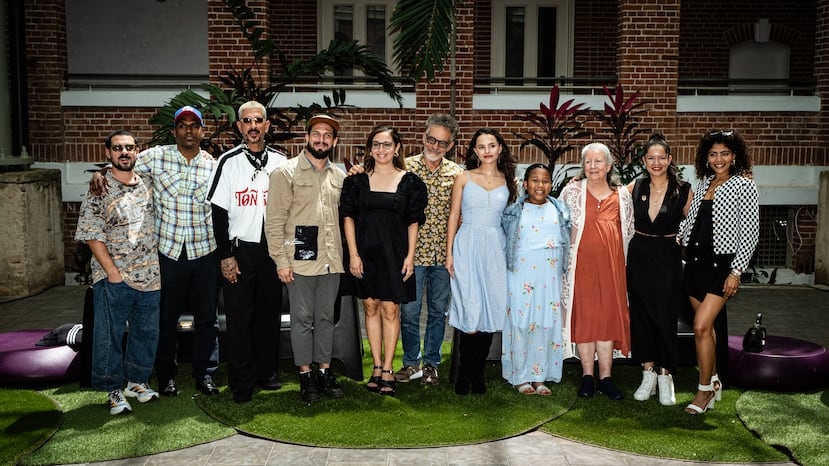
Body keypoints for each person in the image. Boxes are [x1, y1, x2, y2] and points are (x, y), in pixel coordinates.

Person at [88, 107, 222, 397]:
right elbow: (124, 164)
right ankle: (166, 375)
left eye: (194, 125)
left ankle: (206, 374)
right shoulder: (156, 157)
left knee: (207, 318)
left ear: (202, 131)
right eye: (182, 126)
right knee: (165, 319)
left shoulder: (213, 165)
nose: (188, 130)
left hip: (204, 251)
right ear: (174, 131)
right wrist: (102, 173)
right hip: (168, 253)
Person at [206, 101, 288, 403]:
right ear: (239, 127)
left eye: (258, 120)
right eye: (246, 121)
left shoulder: (281, 162)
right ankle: (242, 380)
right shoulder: (227, 162)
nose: (253, 126)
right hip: (240, 251)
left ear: (267, 126)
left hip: (272, 251)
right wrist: (225, 255)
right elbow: (218, 211)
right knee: (239, 318)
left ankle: (266, 373)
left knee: (268, 315)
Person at [75, 130, 160, 415]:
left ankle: (136, 382)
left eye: (129, 147)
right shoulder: (99, 188)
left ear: (138, 151)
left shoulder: (147, 182)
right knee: (108, 335)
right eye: (117, 148)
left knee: (145, 332)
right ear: (108, 154)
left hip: (150, 275)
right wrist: (112, 272)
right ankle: (112, 389)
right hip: (115, 277)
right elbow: (91, 234)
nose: (124, 152)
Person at [265, 114, 347, 403]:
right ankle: (304, 375)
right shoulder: (285, 173)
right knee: (302, 319)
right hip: (298, 261)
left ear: (334, 142)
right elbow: (274, 221)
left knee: (325, 319)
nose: (321, 139)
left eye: (327, 135)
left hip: (330, 260)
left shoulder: (340, 176)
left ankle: (323, 371)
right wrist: (282, 261)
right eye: (317, 134)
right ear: (307, 137)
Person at [341, 125, 427, 396]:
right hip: (365, 255)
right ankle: (376, 367)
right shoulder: (356, 181)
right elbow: (348, 218)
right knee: (370, 308)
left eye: (386, 144)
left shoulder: (410, 182)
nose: (381, 150)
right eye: (376, 144)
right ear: (370, 148)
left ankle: (389, 368)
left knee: (391, 310)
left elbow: (413, 222)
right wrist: (353, 254)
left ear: (397, 148)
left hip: (395, 255)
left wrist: (410, 257)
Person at [678, 129, 758, 414]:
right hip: (696, 265)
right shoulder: (703, 183)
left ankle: (703, 392)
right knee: (707, 329)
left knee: (700, 326)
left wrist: (736, 271)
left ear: (734, 156)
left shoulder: (744, 185)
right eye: (713, 154)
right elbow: (692, 220)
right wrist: (678, 237)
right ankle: (713, 381)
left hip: (721, 267)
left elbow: (749, 232)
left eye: (725, 153)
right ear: (706, 158)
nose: (719, 159)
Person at [559, 142, 634, 401]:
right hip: (581, 269)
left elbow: (630, 231)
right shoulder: (572, 191)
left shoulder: (622, 195)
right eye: (588, 162)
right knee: (586, 320)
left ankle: (607, 378)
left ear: (609, 165)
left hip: (612, 270)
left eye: (598, 161)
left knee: (606, 321)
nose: (593, 167)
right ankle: (587, 377)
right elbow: (557, 223)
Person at [446, 127, 517, 396]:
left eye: (492, 145)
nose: (487, 151)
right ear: (475, 151)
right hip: (467, 245)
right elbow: (454, 216)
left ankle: (478, 373)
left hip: (495, 248)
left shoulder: (510, 182)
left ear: (500, 148)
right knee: (470, 307)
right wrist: (449, 252)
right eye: (481, 146)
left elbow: (512, 219)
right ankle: (465, 371)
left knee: (491, 307)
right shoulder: (463, 178)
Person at [395, 114, 464, 385]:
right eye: (431, 139)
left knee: (438, 311)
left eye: (442, 143)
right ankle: (411, 363)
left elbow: (461, 213)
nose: (435, 146)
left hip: (443, 257)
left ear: (451, 145)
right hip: (412, 255)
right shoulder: (405, 168)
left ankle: (431, 364)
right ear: (423, 136)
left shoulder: (457, 174)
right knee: (409, 312)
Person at [626, 134, 692, 406]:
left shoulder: (684, 189)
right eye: (650, 158)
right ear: (643, 161)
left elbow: (696, 223)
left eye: (661, 157)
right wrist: (575, 184)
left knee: (665, 316)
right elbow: (606, 198)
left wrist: (684, 238)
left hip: (667, 257)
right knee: (641, 315)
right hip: (640, 255)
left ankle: (666, 376)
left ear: (669, 159)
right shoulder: (634, 186)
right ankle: (648, 373)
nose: (656, 163)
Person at [501, 164, 570, 395]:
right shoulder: (513, 210)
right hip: (521, 272)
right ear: (525, 183)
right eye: (535, 180)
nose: (540, 186)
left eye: (545, 181)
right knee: (521, 322)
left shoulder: (559, 209)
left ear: (551, 184)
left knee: (545, 322)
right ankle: (520, 376)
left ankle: (540, 376)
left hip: (549, 274)